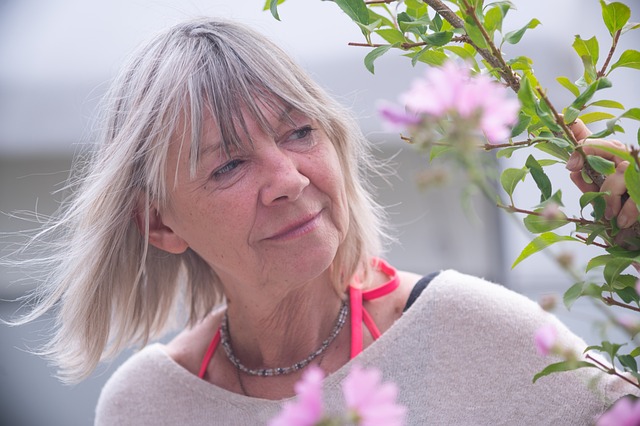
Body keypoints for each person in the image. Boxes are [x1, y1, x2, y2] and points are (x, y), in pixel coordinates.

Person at [10, 17, 640, 425]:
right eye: (228, 164)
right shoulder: (144, 407)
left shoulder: (474, 328)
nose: (288, 178)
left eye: (300, 131)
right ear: (159, 224)